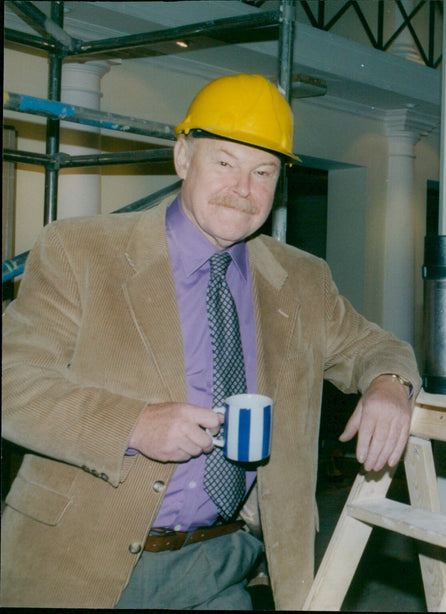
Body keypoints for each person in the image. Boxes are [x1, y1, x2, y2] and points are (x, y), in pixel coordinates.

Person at [1, 74, 421, 610]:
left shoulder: (301, 278)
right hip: (81, 564)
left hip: (223, 568)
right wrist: (134, 424)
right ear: (183, 158)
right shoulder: (81, 251)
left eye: (263, 171)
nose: (243, 189)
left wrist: (390, 382)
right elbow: (12, 385)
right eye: (224, 162)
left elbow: (375, 346)